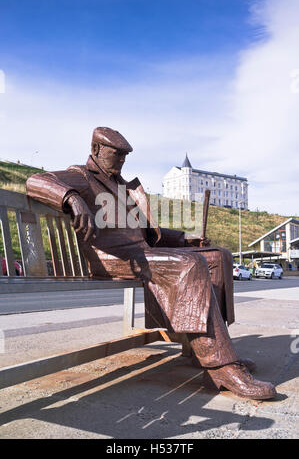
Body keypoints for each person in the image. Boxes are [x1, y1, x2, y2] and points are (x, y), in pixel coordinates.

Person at [26, 127, 276, 400]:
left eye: (125, 156)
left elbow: (145, 231)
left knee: (218, 257)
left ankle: (202, 351)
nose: (122, 160)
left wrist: (186, 239)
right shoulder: (82, 176)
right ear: (96, 150)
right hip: (113, 258)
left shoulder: (121, 186)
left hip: (141, 253)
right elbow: (36, 181)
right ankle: (222, 365)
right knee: (189, 265)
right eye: (117, 154)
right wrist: (71, 198)